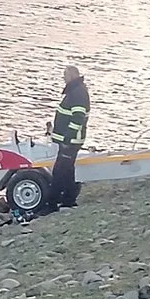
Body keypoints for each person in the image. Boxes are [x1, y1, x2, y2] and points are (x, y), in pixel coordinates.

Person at [41, 65, 90, 215]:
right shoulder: (76, 91)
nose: (63, 78)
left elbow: (78, 118)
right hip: (69, 140)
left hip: (70, 141)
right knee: (68, 169)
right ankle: (68, 200)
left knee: (59, 171)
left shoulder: (77, 93)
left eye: (65, 75)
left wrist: (67, 138)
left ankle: (52, 203)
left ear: (71, 76)